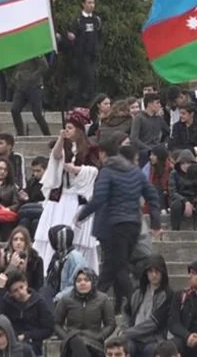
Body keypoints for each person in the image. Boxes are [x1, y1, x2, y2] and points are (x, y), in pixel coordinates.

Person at [76, 133, 162, 313]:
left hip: (113, 226)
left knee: (117, 266)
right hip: (133, 225)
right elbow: (152, 195)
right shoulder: (135, 172)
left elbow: (99, 198)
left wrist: (81, 215)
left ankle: (131, 304)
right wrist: (155, 223)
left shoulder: (107, 172)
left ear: (102, 154)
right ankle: (107, 305)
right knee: (115, 266)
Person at [33, 110, 100, 271]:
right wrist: (60, 139)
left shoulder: (90, 148)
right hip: (60, 198)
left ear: (79, 129)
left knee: (77, 237)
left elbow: (95, 170)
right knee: (53, 233)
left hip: (78, 197)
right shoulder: (65, 146)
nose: (67, 131)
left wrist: (77, 169)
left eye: (70, 128)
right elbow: (56, 157)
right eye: (66, 128)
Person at [55, 268, 115, 357]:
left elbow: (110, 324)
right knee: (76, 342)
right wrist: (66, 337)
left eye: (86, 280)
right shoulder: (66, 300)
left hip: (94, 342)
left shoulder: (103, 299)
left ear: (93, 282)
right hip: (71, 341)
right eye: (79, 281)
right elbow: (56, 323)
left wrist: (100, 336)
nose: (82, 283)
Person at [0, 270, 54, 354]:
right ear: (10, 293)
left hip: (32, 342)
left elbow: (48, 329)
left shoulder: (39, 302)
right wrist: (0, 289)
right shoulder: (7, 303)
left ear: (26, 284)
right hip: (11, 341)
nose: (21, 292)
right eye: (15, 291)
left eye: (21, 287)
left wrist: (27, 335)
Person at [123, 255, 172, 357]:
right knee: (122, 348)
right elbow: (126, 311)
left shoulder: (168, 295)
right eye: (150, 271)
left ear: (162, 273)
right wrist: (125, 328)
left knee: (153, 351)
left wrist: (127, 332)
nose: (154, 275)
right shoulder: (137, 292)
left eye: (157, 271)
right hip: (133, 337)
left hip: (153, 339)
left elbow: (153, 323)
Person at [66, 0, 103, 105]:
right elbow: (72, 36)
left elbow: (100, 36)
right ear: (83, 4)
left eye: (93, 3)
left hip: (93, 55)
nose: (92, 5)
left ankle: (89, 103)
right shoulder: (77, 20)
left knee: (91, 80)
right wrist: (71, 38)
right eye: (89, 3)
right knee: (84, 80)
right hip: (80, 57)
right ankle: (79, 103)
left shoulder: (96, 20)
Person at [43, 225, 88, 303]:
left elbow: (75, 287)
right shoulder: (58, 255)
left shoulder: (75, 259)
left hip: (70, 299)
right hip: (55, 292)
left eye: (54, 239)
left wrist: (56, 298)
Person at [10, 55, 51, 136]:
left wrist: (32, 76)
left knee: (37, 114)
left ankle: (48, 135)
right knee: (14, 110)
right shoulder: (17, 52)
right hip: (21, 87)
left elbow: (44, 66)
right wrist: (15, 78)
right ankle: (20, 134)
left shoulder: (35, 51)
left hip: (34, 87)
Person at [4, 226, 44, 292]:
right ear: (11, 242)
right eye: (15, 239)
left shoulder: (36, 260)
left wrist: (23, 271)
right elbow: (2, 282)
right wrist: (12, 266)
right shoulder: (4, 258)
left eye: (22, 240)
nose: (18, 242)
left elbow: (38, 286)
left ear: (26, 242)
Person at [130, 93, 169, 159]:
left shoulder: (159, 118)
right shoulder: (139, 118)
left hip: (157, 149)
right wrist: (149, 149)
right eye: (157, 103)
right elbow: (134, 139)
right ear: (149, 104)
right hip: (144, 151)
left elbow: (168, 132)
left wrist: (164, 144)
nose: (160, 105)